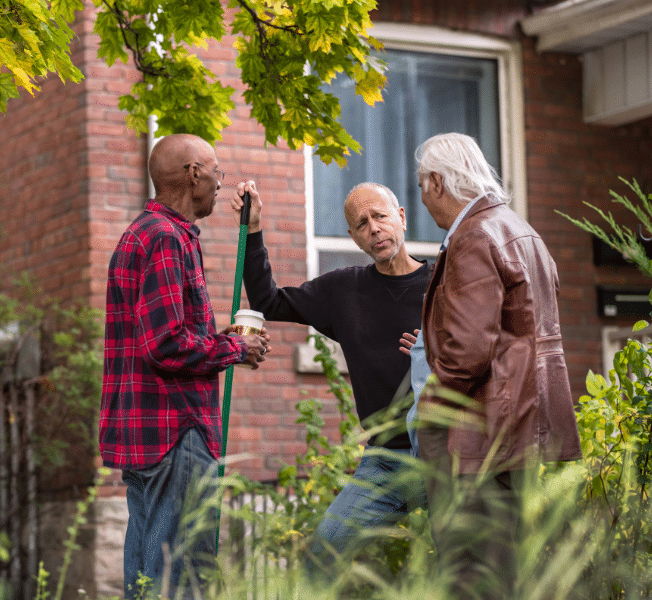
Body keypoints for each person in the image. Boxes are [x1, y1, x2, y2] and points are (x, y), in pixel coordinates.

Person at [231, 180, 432, 580]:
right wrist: (253, 230)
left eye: (380, 216)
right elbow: (269, 301)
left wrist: (437, 353)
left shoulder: (443, 285)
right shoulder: (344, 290)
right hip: (385, 462)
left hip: (443, 454)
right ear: (353, 237)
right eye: (361, 224)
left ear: (401, 219)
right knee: (321, 558)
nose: (373, 228)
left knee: (463, 567)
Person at [99, 134, 271, 600]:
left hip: (150, 432)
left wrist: (222, 341)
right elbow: (168, 345)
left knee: (147, 572)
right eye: (216, 169)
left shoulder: (148, 234)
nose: (221, 181)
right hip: (175, 430)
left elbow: (162, 338)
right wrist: (234, 350)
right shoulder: (164, 238)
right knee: (182, 574)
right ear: (193, 172)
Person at [414, 132, 582, 599]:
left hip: (483, 438)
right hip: (525, 431)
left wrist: (428, 408)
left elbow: (467, 350)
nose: (423, 199)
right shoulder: (521, 229)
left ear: (437, 183)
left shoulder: (472, 237)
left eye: (423, 187)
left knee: (473, 574)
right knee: (510, 572)